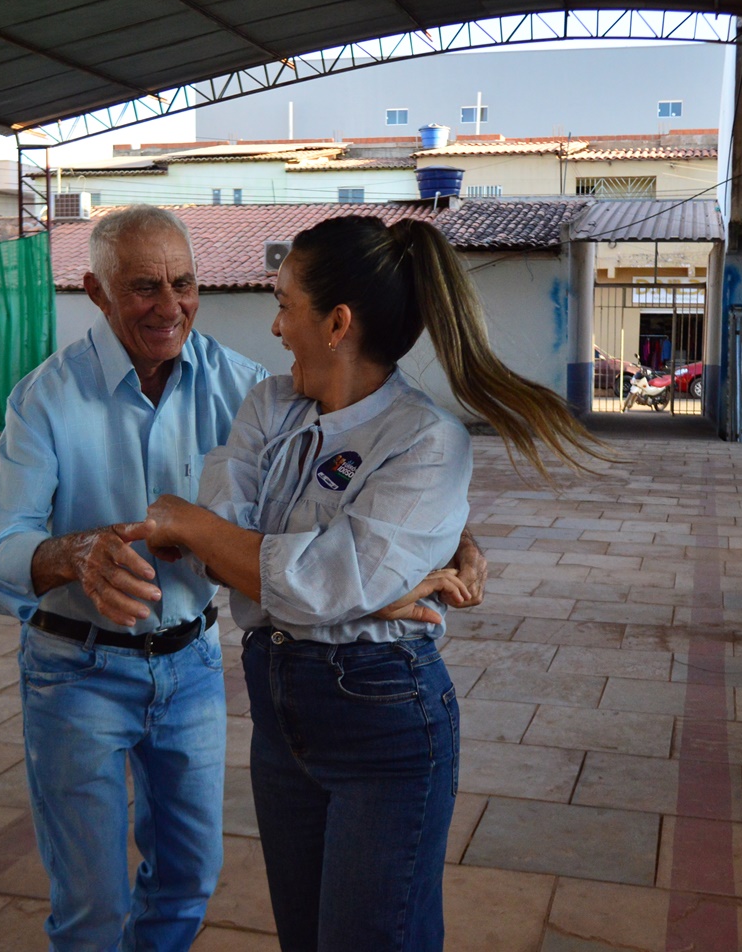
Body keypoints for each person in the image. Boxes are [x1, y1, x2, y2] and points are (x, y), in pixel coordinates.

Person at [0, 207, 488, 952]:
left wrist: (429, 543)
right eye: (145, 286)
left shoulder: (246, 386)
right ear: (95, 290)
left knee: (187, 882)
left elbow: (320, 513)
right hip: (77, 668)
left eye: (184, 283)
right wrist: (74, 554)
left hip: (192, 666)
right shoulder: (49, 398)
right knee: (90, 905)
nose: (170, 304)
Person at [141, 215, 613, 951]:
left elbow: (297, 578)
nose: (274, 326)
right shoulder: (271, 405)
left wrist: (188, 522)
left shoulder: (425, 441)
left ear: (336, 323)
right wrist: (331, 574)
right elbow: (250, 556)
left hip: (381, 723)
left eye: (285, 304)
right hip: (279, 710)